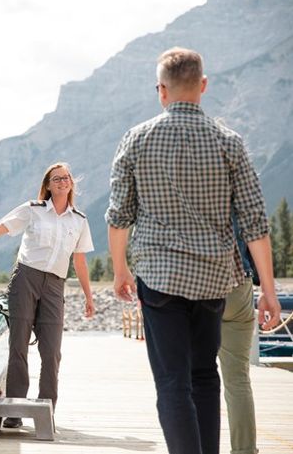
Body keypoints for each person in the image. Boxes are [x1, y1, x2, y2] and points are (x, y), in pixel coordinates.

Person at [105, 47, 281, 454]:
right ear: (203, 85)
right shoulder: (229, 142)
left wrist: (119, 270)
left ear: (161, 91)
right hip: (214, 279)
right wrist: (268, 291)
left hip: (160, 278)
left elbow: (119, 216)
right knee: (205, 376)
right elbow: (255, 222)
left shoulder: (137, 139)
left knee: (172, 382)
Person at [0, 162, 95, 428]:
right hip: (26, 277)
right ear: (48, 185)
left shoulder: (79, 220)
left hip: (55, 285)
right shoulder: (33, 210)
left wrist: (88, 297)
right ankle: (14, 412)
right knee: (19, 346)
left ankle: (46, 410)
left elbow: (80, 261)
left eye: (66, 177)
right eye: (56, 178)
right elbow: (0, 228)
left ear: (71, 183)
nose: (62, 181)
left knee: (52, 351)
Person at [219, 229, 260, 454]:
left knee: (194, 378)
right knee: (238, 380)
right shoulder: (238, 192)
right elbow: (258, 234)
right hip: (238, 286)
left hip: (193, 287)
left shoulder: (182, 193)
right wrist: (268, 292)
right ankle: (245, 450)